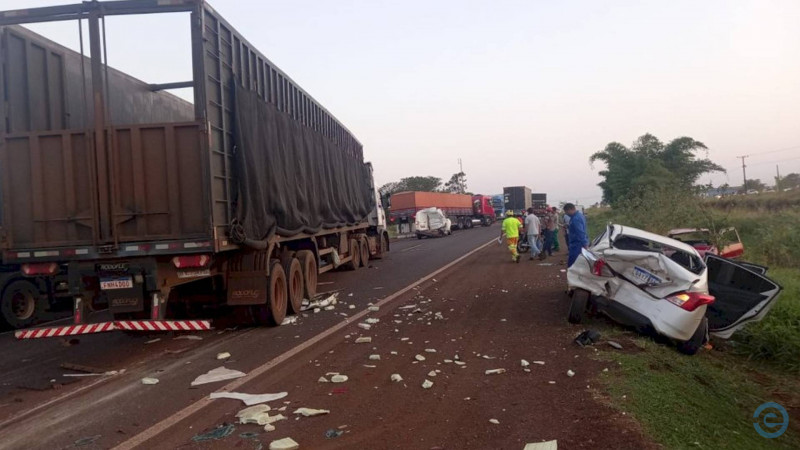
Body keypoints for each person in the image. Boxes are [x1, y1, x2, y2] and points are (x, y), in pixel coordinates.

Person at [564, 203, 589, 267]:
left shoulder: (576, 219)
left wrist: (585, 244)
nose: (566, 214)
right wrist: (569, 226)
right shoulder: (579, 216)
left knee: (573, 263)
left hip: (577, 244)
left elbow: (580, 232)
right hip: (578, 243)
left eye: (566, 212)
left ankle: (572, 276)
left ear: (570, 209)